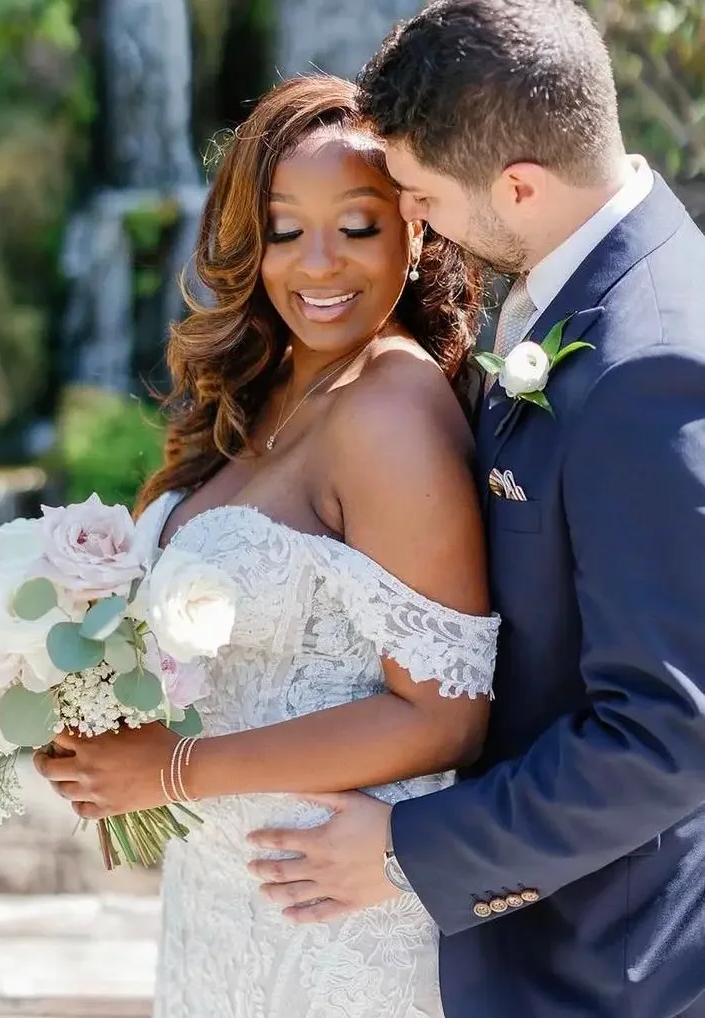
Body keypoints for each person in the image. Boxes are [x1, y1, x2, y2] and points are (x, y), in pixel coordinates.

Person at [241, 3, 705, 1017]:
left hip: (601, 964)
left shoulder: (649, 364)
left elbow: (672, 734)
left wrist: (413, 852)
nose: (423, 230)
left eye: (420, 197)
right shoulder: (572, 279)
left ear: (520, 186)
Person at [34, 74, 498, 1016]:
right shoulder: (272, 382)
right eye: (285, 229)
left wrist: (167, 770)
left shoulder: (392, 409)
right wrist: (90, 719)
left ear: (417, 230)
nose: (318, 266)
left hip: (331, 917)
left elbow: (447, 717)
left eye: (358, 227)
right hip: (221, 897)